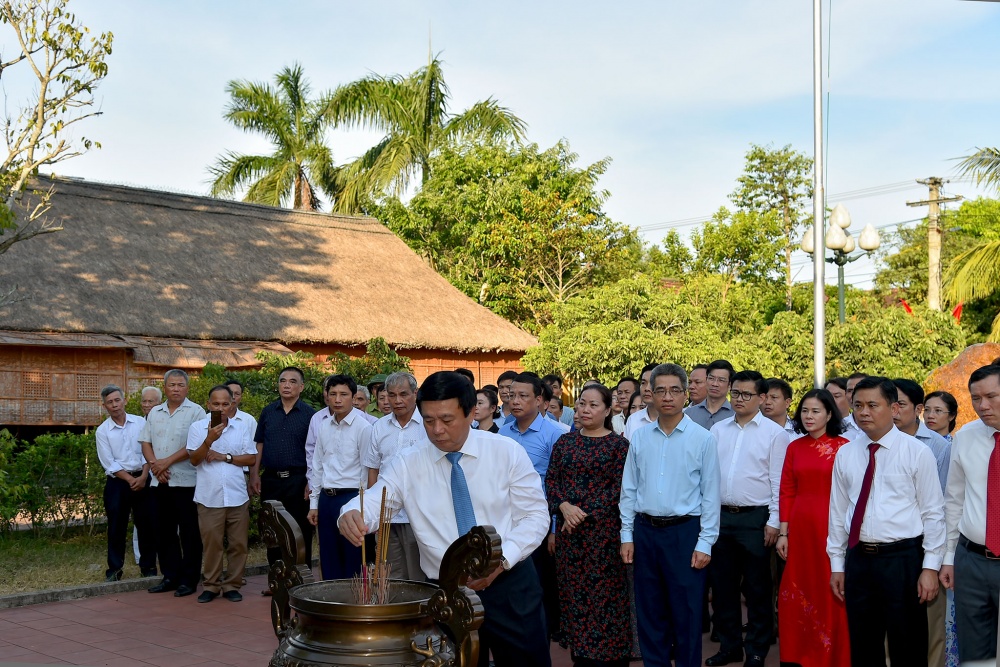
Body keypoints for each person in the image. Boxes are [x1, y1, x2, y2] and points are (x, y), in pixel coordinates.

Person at [338, 371, 551, 667]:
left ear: (470, 413)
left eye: (447, 420)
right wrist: (351, 514)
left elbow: (535, 516)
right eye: (428, 420)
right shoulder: (408, 463)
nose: (437, 430)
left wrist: (502, 561)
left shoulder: (505, 452)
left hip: (509, 583)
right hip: (446, 592)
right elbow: (377, 500)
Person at [828, 376, 945, 667]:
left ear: (893, 408)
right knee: (864, 645)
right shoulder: (846, 453)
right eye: (857, 405)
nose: (863, 412)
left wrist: (930, 567)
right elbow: (838, 511)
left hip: (903, 560)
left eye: (872, 405)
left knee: (908, 644)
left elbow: (933, 513)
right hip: (859, 560)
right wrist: (837, 565)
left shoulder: (917, 452)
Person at [620, 363, 720, 667]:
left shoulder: (703, 439)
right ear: (650, 394)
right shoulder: (639, 437)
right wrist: (627, 535)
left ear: (685, 394)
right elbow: (629, 490)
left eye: (674, 390)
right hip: (645, 532)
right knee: (650, 613)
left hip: (685, 534)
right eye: (660, 389)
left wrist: (705, 542)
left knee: (687, 613)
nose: (667, 396)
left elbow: (711, 494)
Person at [706, 370, 789, 667]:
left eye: (746, 394)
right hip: (720, 517)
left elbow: (779, 481)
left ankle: (756, 648)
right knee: (723, 587)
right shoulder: (718, 430)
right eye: (736, 393)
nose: (739, 399)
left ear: (762, 398)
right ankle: (730, 646)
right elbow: (710, 476)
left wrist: (775, 522)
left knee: (757, 588)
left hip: (756, 518)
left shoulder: (775, 434)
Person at [546, 384, 631, 667]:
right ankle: (581, 654)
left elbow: (619, 490)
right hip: (570, 539)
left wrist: (580, 514)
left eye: (593, 405)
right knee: (574, 597)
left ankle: (612, 655)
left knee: (607, 598)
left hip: (604, 536)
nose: (585, 409)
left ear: (607, 410)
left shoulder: (619, 446)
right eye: (582, 403)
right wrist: (563, 507)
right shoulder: (565, 443)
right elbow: (552, 482)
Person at [775, 388, 849, 667]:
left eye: (816, 411)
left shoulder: (844, 447)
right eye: (805, 410)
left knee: (830, 588)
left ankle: (833, 655)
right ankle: (797, 654)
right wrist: (784, 532)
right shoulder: (794, 447)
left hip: (832, 526)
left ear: (830, 414)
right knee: (797, 589)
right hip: (801, 527)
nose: (809, 416)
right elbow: (786, 490)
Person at [499, 372, 566, 642]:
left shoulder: (557, 434)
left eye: (523, 396)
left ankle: (544, 633)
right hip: (506, 518)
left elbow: (557, 484)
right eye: (512, 395)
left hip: (539, 520)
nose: (515, 401)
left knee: (540, 582)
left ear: (540, 400)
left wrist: (552, 528)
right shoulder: (503, 431)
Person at [892, 378, 954, 667]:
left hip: (925, 545)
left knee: (930, 623)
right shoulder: (869, 444)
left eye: (900, 404)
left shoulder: (939, 447)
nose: (893, 410)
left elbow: (941, 506)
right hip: (887, 546)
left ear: (917, 408)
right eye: (888, 403)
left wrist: (937, 557)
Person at [941, 364, 1000, 663]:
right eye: (976, 398)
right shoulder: (965, 437)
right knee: (974, 653)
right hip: (971, 561)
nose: (982, 405)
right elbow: (954, 500)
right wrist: (949, 557)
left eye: (991, 396)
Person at [186, 385, 257, 603]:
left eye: (225, 404)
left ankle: (232, 585)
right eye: (216, 404)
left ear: (233, 403)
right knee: (212, 545)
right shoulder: (198, 427)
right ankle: (211, 586)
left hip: (237, 496)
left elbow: (251, 458)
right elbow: (194, 460)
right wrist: (208, 440)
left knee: (238, 544)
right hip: (209, 497)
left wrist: (224, 456)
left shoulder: (242, 427)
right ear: (208, 405)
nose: (221, 408)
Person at [139, 369, 206, 597]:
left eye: (180, 385)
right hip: (160, 482)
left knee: (189, 533)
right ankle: (170, 576)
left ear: (187, 388)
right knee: (163, 532)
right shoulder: (155, 412)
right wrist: (155, 465)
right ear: (164, 387)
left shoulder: (196, 412)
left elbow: (194, 446)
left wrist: (165, 462)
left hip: (186, 482)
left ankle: (189, 580)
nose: (176, 389)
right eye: (171, 385)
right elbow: (145, 442)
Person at [251, 366, 316, 589]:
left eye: (292, 381)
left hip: (298, 481)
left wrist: (311, 480)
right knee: (273, 532)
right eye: (282, 381)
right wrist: (255, 474)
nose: (286, 385)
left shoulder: (310, 415)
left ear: (301, 387)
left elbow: (315, 450)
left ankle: (301, 582)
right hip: (271, 480)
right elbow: (259, 444)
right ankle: (277, 580)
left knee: (300, 531)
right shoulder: (268, 412)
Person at [362, 371, 430, 581]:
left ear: (415, 393)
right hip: (387, 514)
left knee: (418, 573)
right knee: (390, 574)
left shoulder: (428, 425)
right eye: (392, 395)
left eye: (403, 394)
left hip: (417, 513)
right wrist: (374, 511)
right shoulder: (379, 427)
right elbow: (373, 469)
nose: (397, 400)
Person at [308, 374, 372, 580]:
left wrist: (362, 506)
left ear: (353, 397)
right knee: (328, 554)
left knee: (353, 555)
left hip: (352, 498)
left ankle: (353, 606)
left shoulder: (364, 428)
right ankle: (332, 604)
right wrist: (314, 504)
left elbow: (367, 469)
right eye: (333, 394)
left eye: (343, 394)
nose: (337, 399)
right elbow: (317, 465)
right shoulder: (323, 425)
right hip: (327, 498)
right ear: (326, 396)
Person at [96, 384, 156, 581]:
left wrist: (143, 476)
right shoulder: (102, 431)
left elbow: (150, 452)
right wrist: (131, 479)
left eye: (117, 400)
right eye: (110, 402)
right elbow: (109, 462)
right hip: (118, 483)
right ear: (104, 406)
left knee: (146, 525)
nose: (114, 405)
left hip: (143, 478)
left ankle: (148, 568)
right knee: (116, 527)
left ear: (125, 400)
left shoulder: (140, 422)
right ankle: (114, 569)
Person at [685, 359, 735, 432]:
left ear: (730, 385)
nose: (714, 384)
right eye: (711, 378)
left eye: (721, 380)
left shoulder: (735, 415)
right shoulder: (689, 414)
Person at [624, 363, 659, 440]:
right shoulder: (633, 420)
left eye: (652, 383)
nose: (646, 388)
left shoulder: (677, 420)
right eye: (643, 383)